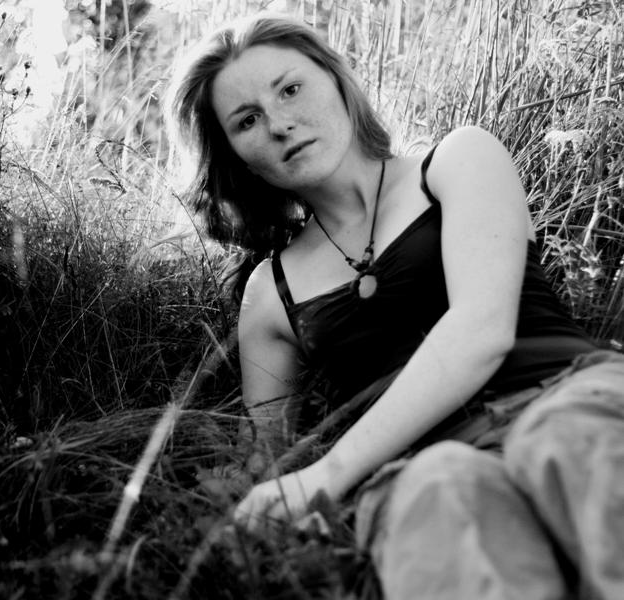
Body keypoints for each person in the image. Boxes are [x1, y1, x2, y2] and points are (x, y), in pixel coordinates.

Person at [164, 12, 624, 600]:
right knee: (438, 491)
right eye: (247, 120)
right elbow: (275, 465)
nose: (279, 124)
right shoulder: (270, 295)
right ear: (234, 153)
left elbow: (482, 331)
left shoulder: (457, 161)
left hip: (564, 392)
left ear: (337, 80)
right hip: (426, 463)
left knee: (560, 438)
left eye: (290, 89)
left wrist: (331, 474)